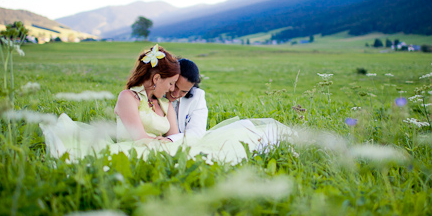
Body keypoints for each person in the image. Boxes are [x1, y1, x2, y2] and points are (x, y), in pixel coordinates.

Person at [41, 44, 291, 165]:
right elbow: (138, 136)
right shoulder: (127, 98)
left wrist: (169, 142)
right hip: (134, 147)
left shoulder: (164, 103)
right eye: (171, 84)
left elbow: (177, 135)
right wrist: (164, 142)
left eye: (178, 88)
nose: (173, 92)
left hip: (163, 146)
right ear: (157, 78)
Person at [165, 58, 208, 142]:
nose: (176, 94)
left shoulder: (197, 96)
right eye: (175, 86)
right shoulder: (157, 93)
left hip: (185, 143)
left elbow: (197, 131)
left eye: (184, 91)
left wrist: (171, 140)